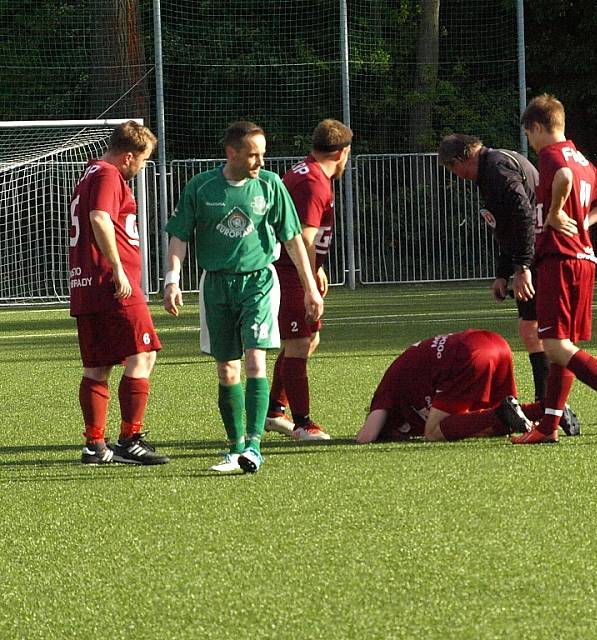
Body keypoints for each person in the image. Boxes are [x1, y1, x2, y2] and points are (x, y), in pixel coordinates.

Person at [163, 121, 324, 474]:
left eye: (262, 154)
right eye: (253, 155)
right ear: (231, 153)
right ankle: (234, 450)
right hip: (216, 285)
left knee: (255, 361)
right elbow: (179, 236)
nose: (260, 162)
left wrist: (309, 286)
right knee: (226, 368)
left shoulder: (270, 185)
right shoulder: (201, 187)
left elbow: (293, 238)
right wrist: (172, 280)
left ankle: (254, 446)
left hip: (259, 282)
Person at [515, 93, 597, 444]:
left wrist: (557, 211)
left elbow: (561, 177)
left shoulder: (552, 155)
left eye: (529, 135)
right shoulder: (583, 160)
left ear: (539, 127)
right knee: (564, 349)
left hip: (560, 258)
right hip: (583, 258)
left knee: (554, 347)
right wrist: (586, 221)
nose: (530, 142)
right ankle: (548, 426)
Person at [437, 134, 580, 437]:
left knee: (542, 333)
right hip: (538, 253)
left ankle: (551, 407)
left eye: (453, 170)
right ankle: (550, 406)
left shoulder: (497, 170)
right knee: (537, 332)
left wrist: (523, 268)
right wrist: (503, 273)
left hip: (541, 254)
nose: (457, 176)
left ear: (461, 160)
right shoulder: (495, 164)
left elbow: (525, 216)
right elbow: (508, 226)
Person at [69, 120, 169, 465]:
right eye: (143, 160)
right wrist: (119, 268)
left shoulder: (88, 173)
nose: (142, 168)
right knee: (143, 355)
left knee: (97, 366)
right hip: (112, 284)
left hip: (86, 285)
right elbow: (99, 218)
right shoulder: (109, 174)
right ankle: (130, 439)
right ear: (129, 156)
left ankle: (95, 445)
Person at [266, 119, 353, 441]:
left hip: (297, 269)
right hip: (288, 270)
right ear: (343, 152)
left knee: (306, 340)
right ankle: (301, 422)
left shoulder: (308, 171)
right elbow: (302, 238)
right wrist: (308, 284)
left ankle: (274, 410)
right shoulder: (313, 181)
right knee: (299, 342)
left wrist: (316, 270)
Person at [355, 329, 545, 443]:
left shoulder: (387, 393)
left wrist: (369, 429)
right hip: (494, 343)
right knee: (496, 425)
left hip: (466, 355)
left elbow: (366, 437)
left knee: (433, 432)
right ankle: (547, 410)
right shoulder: (408, 394)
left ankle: (502, 412)